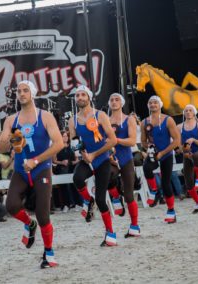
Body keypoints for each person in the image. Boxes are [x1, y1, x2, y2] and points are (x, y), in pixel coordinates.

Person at [0, 80, 63, 268]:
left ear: (32, 94)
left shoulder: (46, 117)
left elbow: (59, 144)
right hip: (20, 169)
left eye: (25, 90)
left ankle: (49, 253)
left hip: (41, 168)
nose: (21, 94)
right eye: (18, 91)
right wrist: (11, 140)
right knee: (11, 206)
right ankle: (29, 224)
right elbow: (1, 148)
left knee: (43, 215)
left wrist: (36, 160)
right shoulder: (11, 120)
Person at [68, 85, 117, 246]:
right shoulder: (72, 120)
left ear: (89, 98)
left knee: (102, 199)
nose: (80, 97)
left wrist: (94, 155)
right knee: (77, 178)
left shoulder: (100, 115)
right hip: (86, 158)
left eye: (83, 95)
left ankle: (110, 234)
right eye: (77, 95)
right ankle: (89, 201)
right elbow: (75, 143)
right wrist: (83, 155)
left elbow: (113, 140)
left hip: (102, 159)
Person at [141, 95, 180, 223]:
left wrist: (162, 153)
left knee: (166, 183)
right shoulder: (144, 122)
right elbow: (143, 142)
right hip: (154, 153)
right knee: (146, 168)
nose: (153, 105)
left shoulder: (168, 120)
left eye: (155, 103)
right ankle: (153, 190)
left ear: (160, 105)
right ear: (148, 105)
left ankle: (171, 211)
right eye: (150, 103)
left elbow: (177, 140)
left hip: (166, 154)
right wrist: (150, 147)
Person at [107, 93, 140, 237]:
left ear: (122, 103)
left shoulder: (129, 119)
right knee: (107, 176)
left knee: (129, 196)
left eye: (117, 100)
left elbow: (132, 141)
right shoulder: (105, 120)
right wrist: (109, 155)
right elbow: (102, 142)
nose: (114, 102)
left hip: (126, 158)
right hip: (111, 158)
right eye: (112, 100)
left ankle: (134, 225)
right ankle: (115, 197)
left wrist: (116, 140)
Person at [177, 104, 198, 213]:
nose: (188, 112)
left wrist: (193, 139)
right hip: (186, 155)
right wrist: (182, 150)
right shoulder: (179, 127)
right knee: (188, 183)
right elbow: (177, 144)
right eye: (186, 110)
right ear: (184, 113)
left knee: (196, 157)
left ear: (194, 113)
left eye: (190, 110)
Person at [52, 131, 80, 212]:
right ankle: (66, 205)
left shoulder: (72, 146)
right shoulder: (57, 146)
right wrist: (62, 162)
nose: (65, 138)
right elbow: (54, 160)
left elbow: (76, 158)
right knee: (64, 186)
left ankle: (76, 204)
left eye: (66, 136)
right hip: (61, 168)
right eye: (63, 136)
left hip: (71, 167)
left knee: (74, 185)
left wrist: (73, 162)